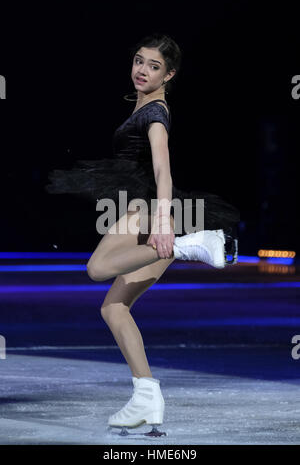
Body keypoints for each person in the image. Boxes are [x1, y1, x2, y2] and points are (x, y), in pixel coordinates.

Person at [45, 32, 240, 437]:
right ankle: (146, 395)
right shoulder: (144, 108)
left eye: (154, 66)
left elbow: (162, 167)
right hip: (152, 220)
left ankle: (189, 246)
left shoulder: (155, 113)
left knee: (97, 268)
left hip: (148, 215)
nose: (142, 70)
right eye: (139, 61)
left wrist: (166, 224)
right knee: (114, 308)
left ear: (169, 75)